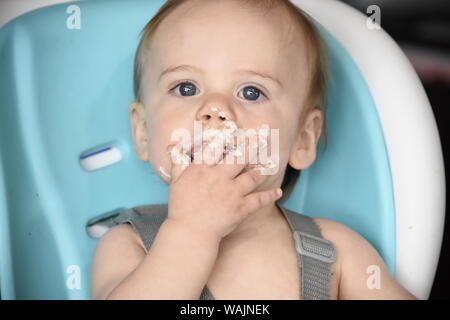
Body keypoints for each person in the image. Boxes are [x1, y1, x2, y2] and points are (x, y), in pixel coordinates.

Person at [91, 0, 417, 300]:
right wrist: (190, 232)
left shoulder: (336, 253)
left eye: (251, 92)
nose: (215, 108)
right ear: (143, 132)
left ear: (303, 139)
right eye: (185, 88)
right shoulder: (130, 244)